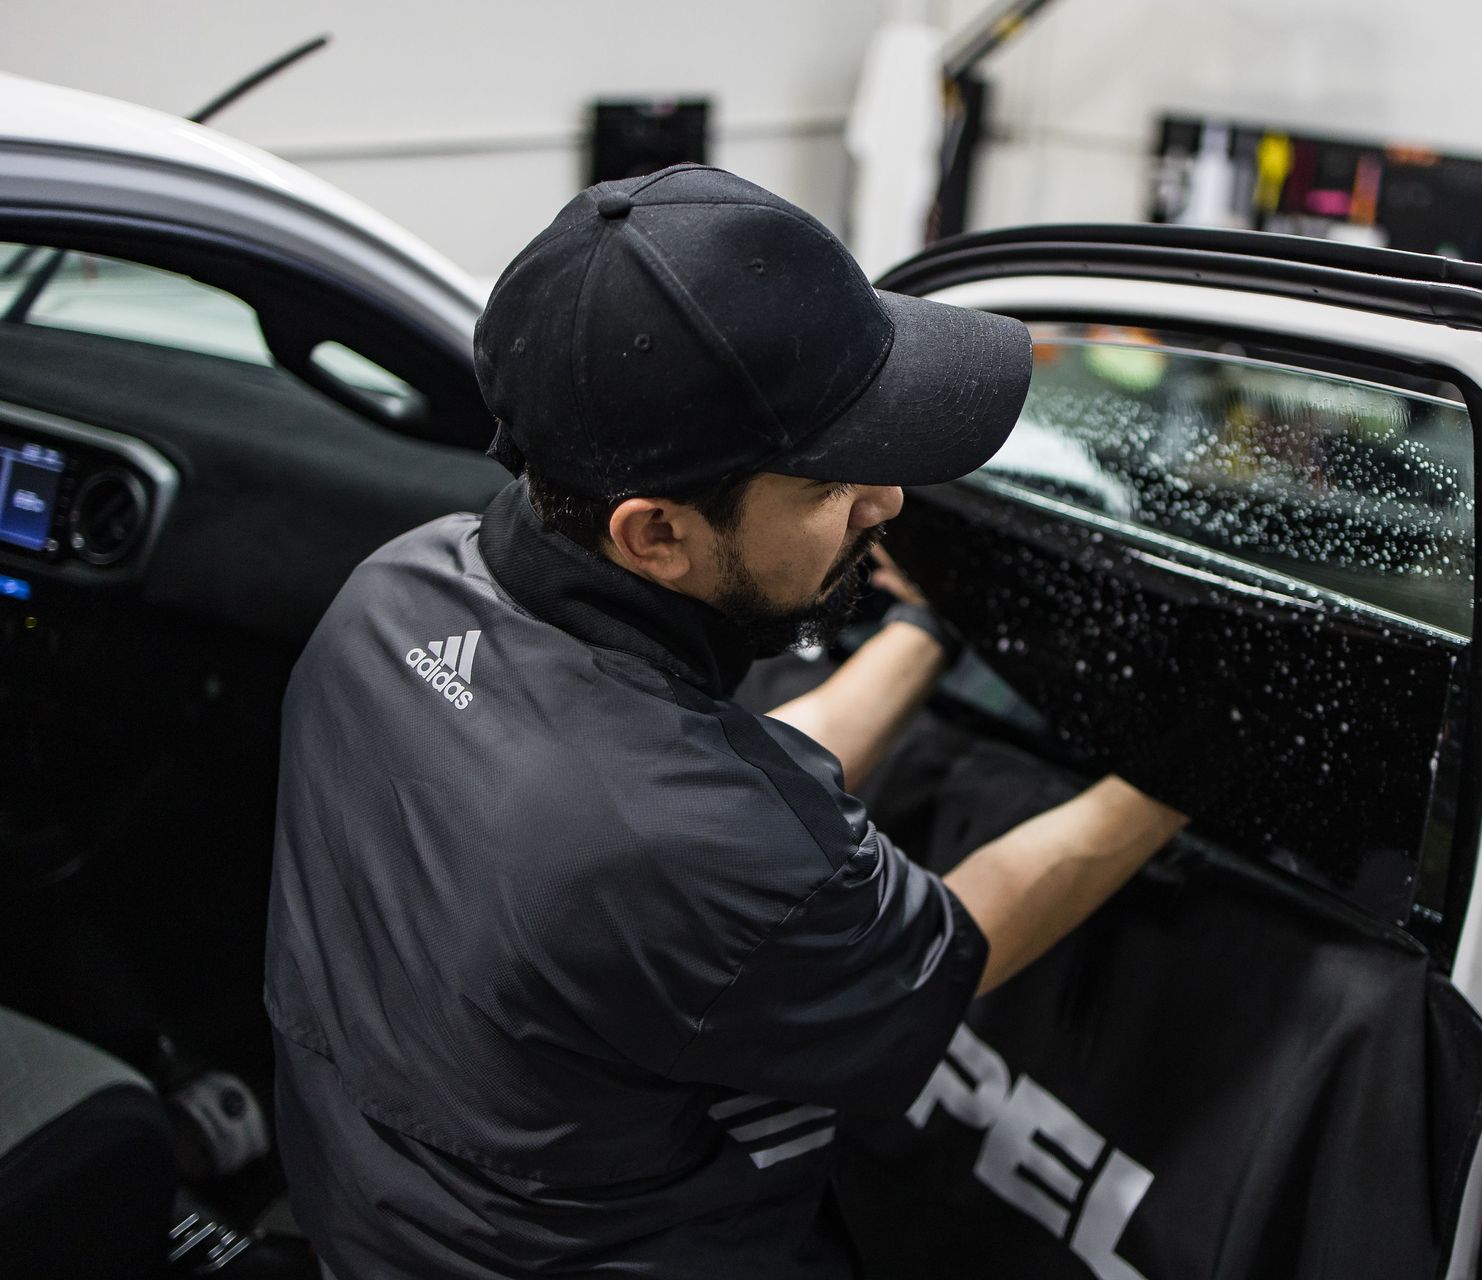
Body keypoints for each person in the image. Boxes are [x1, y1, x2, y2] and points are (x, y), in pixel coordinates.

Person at [263, 164, 1187, 1279]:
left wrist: (928, 631)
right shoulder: (687, 846)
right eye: (834, 480)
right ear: (655, 535)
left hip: (371, 1209)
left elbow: (709, 795)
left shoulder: (395, 590)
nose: (888, 500)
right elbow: (955, 939)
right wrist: (1193, 761)